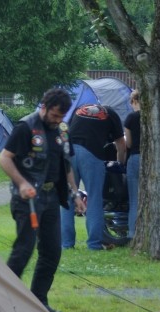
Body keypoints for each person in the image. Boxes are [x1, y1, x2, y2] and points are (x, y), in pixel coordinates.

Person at [0, 88, 86, 312]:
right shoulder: (26, 127)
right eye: (55, 115)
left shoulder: (63, 131)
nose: (57, 121)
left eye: (61, 117)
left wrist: (76, 194)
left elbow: (66, 165)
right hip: (27, 199)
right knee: (23, 250)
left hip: (51, 198)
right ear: (45, 107)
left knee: (52, 252)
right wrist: (21, 183)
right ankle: (4, 304)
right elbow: (4, 158)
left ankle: (38, 301)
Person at [60, 104, 126, 250]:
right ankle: (94, 244)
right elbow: (121, 144)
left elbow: (66, 130)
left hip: (68, 152)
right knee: (95, 198)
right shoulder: (111, 114)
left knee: (68, 198)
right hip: (91, 154)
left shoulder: (81, 108)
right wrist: (121, 163)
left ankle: (66, 244)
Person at [124, 90, 141, 239]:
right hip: (151, 161)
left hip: (135, 157)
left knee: (135, 200)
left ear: (134, 101)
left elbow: (128, 143)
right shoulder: (154, 118)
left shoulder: (131, 118)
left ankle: (132, 234)